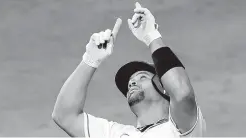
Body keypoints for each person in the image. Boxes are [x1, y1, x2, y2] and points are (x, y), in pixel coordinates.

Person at [52, 2, 206, 138]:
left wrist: (151, 36)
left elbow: (182, 93)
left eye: (142, 77)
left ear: (163, 86)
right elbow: (64, 116)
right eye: (130, 82)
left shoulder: (182, 127)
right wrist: (90, 60)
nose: (132, 83)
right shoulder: (113, 133)